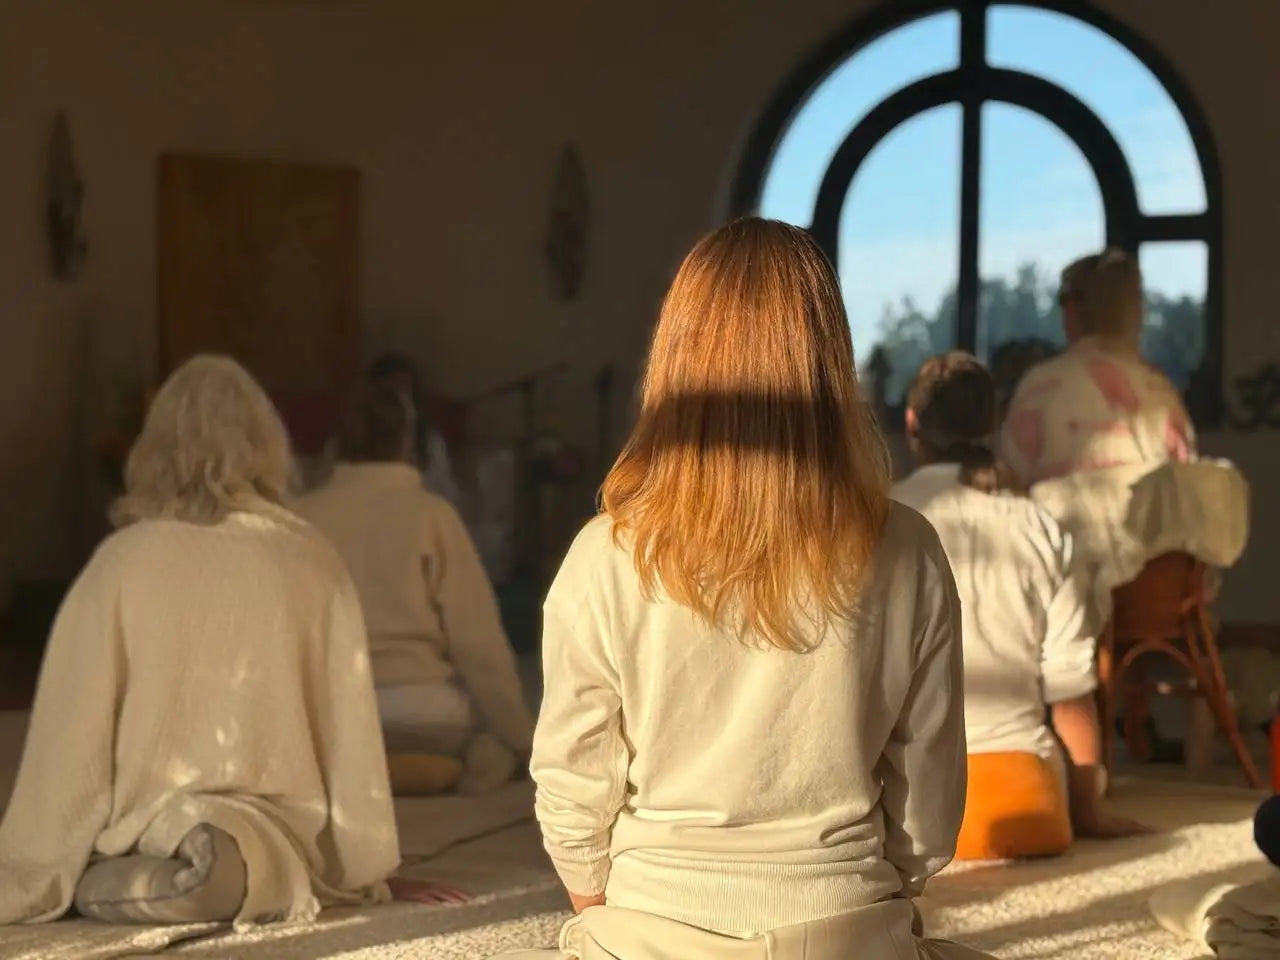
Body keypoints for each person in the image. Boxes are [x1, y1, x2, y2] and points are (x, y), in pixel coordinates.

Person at [502, 219, 991, 960]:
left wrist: (614, 912)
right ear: (831, 363)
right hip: (849, 928)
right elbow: (928, 810)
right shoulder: (909, 549)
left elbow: (571, 786)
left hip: (647, 935)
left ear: (674, 359)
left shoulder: (604, 555)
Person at [0, 355, 402, 926]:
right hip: (282, 839)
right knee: (228, 868)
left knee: (131, 874)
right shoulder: (312, 556)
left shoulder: (123, 561)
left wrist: (38, 865)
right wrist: (364, 860)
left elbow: (71, 741)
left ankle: (199, 877)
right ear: (269, 445)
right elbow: (349, 728)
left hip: (164, 828)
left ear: (153, 449)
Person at [893, 352, 1146, 861]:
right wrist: (1089, 810)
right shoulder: (1040, 527)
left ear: (912, 423)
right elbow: (1071, 689)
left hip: (906, 808)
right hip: (1025, 807)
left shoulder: (883, 516)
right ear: (994, 424)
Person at [295, 382, 533, 796]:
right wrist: (523, 741)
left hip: (332, 714)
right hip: (424, 715)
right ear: (407, 441)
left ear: (335, 443)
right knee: (492, 738)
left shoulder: (301, 517)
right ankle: (447, 769)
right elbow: (478, 645)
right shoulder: (432, 516)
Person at [1000, 249, 1196, 487]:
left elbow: (1009, 489)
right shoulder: (1163, 394)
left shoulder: (1040, 388)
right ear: (1136, 311)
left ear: (1071, 308)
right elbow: (1185, 492)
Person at [367, 352, 464, 507]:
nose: (401, 401)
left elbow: (448, 495)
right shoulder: (347, 445)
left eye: (405, 391)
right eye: (391, 395)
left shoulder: (431, 441)